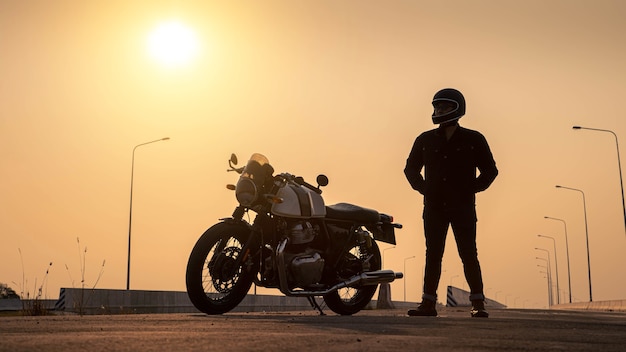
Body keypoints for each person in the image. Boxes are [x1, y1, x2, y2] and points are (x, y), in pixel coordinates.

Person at [404, 88, 498, 318]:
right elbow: (410, 169)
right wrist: (425, 189)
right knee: (433, 254)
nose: (439, 110)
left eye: (444, 106)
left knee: (468, 254)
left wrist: (471, 189)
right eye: (437, 106)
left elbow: (490, 170)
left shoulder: (474, 139)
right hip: (434, 207)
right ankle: (428, 304)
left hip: (463, 207)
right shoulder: (424, 139)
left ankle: (478, 303)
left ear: (457, 108)